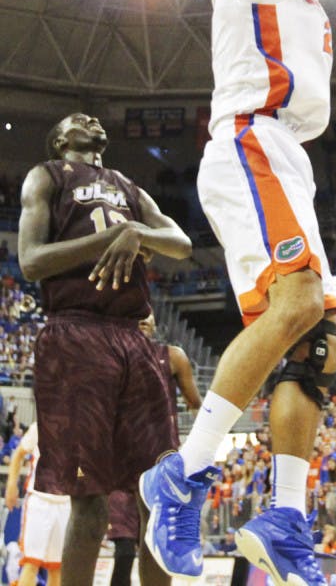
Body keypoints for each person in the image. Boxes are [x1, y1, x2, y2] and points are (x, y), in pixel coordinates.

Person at [139, 0, 336, 585]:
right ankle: (182, 474)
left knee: (319, 346)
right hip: (250, 141)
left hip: (285, 157)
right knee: (296, 301)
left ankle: (285, 519)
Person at [18, 112, 192, 586]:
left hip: (135, 337)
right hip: (75, 333)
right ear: (59, 139)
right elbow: (31, 261)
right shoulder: (46, 176)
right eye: (78, 118)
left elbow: (180, 242)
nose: (91, 118)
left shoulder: (130, 187)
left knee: (159, 494)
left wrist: (137, 233)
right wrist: (110, 239)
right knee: (89, 503)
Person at [4, 421, 71, 586]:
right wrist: (12, 485)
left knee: (58, 567)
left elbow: (81, 470)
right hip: (39, 502)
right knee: (31, 563)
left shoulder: (82, 428)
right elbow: (19, 454)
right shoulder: (40, 425)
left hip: (66, 504)